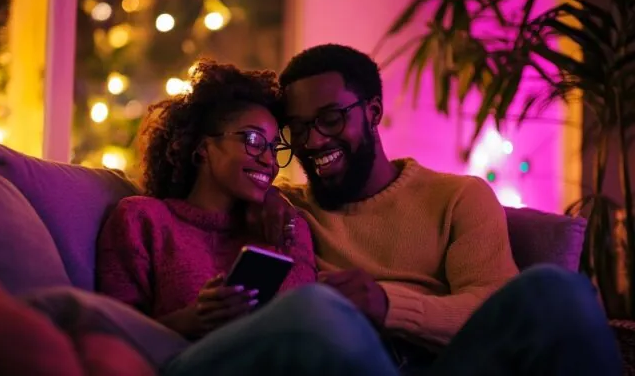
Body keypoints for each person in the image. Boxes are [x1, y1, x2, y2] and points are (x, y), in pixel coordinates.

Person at [249, 43, 622, 374]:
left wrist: (387, 305)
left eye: (331, 119)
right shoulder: (288, 207)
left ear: (373, 111)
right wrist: (262, 193)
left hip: (447, 364)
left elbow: (497, 311)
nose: (313, 140)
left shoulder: (458, 196)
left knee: (557, 289)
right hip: (349, 362)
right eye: (297, 129)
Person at [96, 60, 316, 341]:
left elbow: (306, 326)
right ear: (203, 147)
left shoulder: (285, 225)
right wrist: (190, 320)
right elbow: (113, 334)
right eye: (252, 139)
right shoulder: (142, 218)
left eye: (274, 149)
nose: (269, 161)